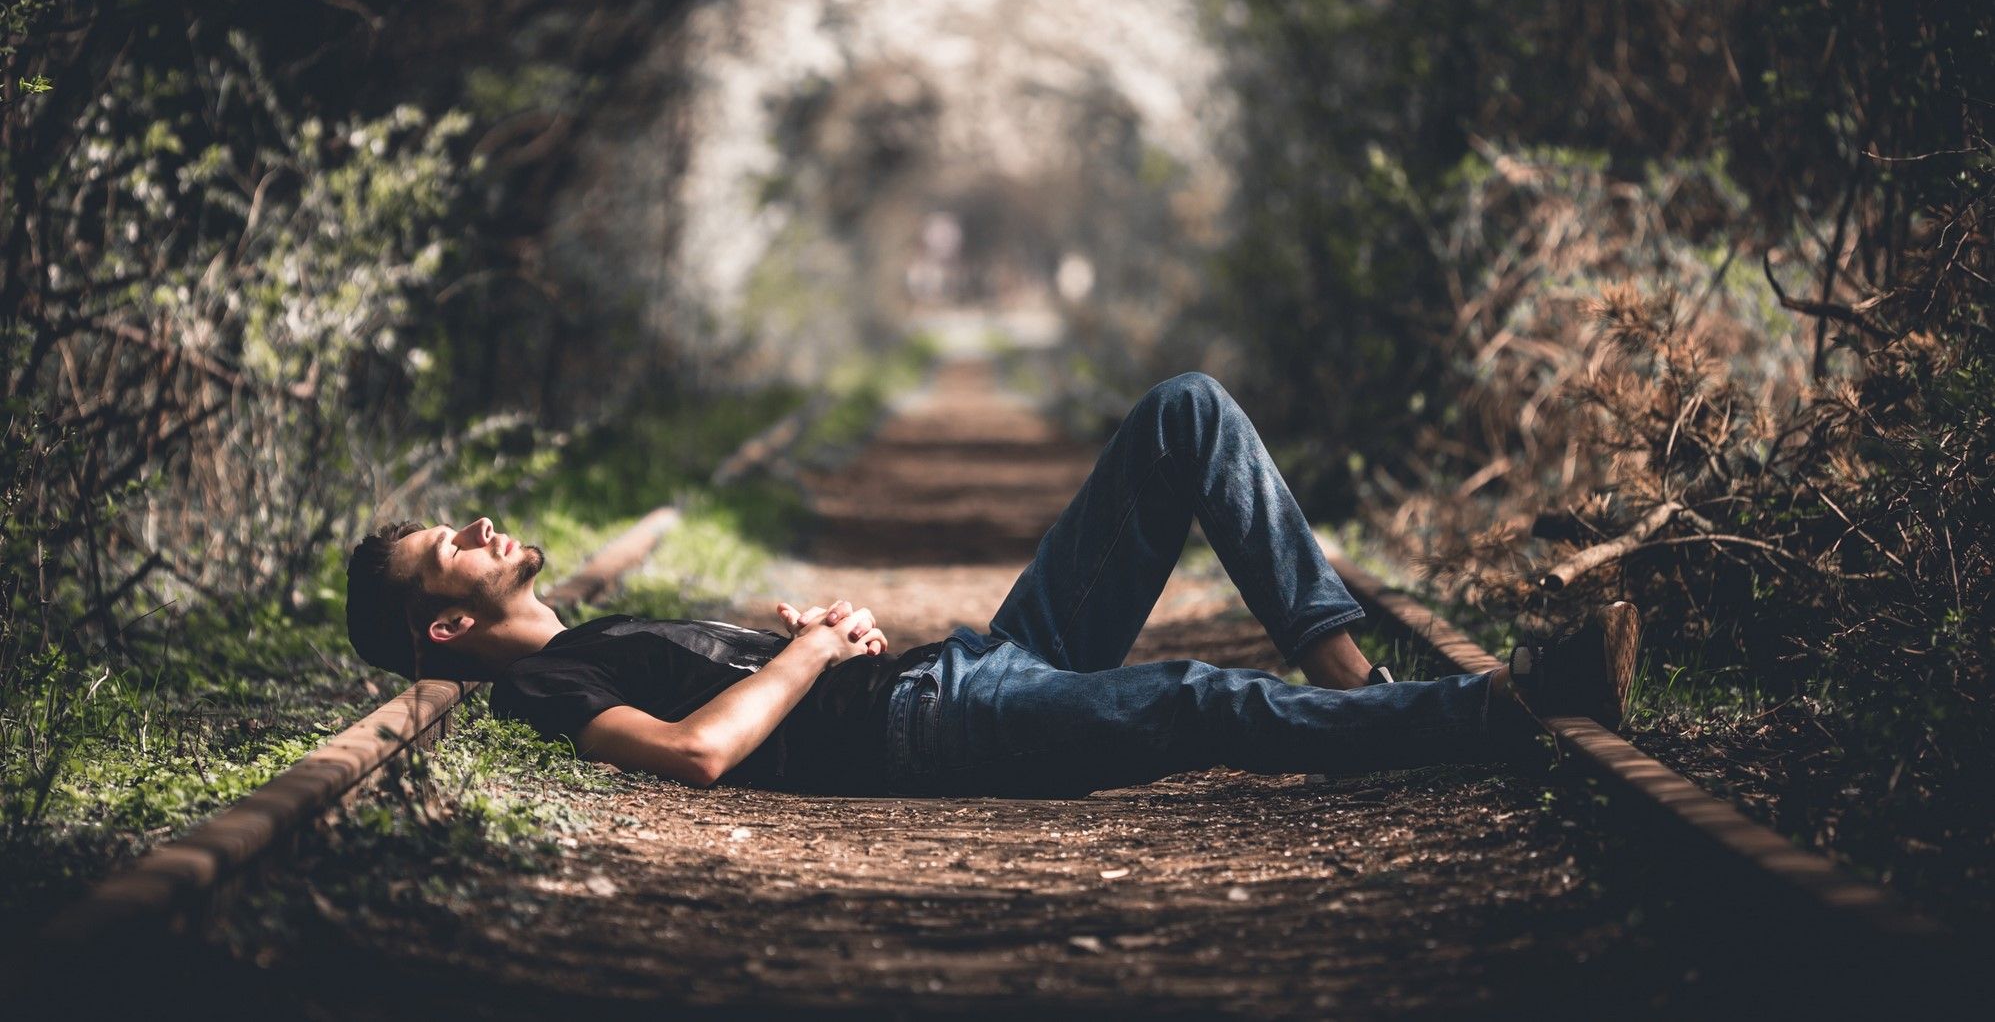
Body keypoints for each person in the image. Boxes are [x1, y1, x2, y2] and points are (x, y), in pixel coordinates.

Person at [343, 373, 1640, 797]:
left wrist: (801, 634)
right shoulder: (548, 685)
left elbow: (731, 692)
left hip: (966, 665)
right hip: (941, 724)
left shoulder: (604, 629)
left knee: (1186, 413)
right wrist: (814, 658)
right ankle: (1512, 711)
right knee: (1193, 697)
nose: (481, 522)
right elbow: (693, 754)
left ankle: (1354, 679)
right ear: (448, 625)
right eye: (451, 544)